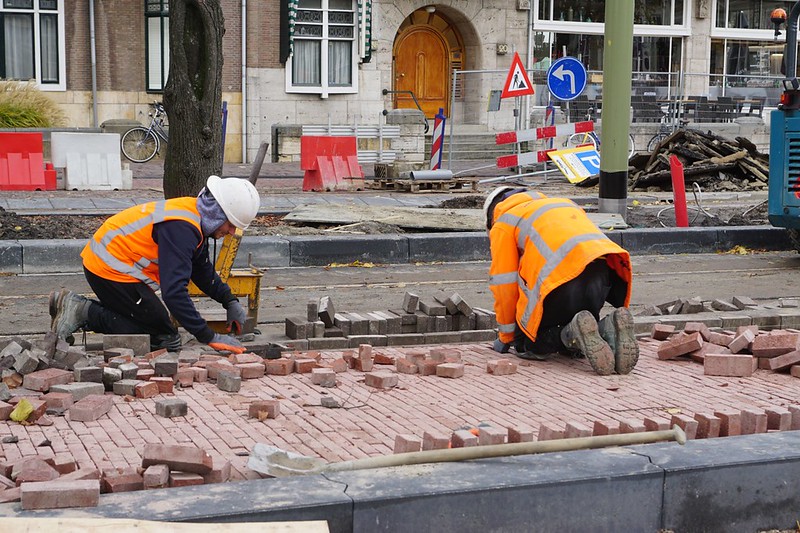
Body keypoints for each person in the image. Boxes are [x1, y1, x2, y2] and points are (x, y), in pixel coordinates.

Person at [49, 175, 260, 355]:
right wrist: (208, 336)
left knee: (162, 331)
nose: (232, 232)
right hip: (108, 267)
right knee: (162, 334)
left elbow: (201, 270)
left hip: (118, 265)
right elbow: (174, 293)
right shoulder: (182, 228)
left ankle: (81, 308)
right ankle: (82, 311)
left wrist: (229, 301)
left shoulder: (196, 216)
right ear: (217, 214)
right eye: (231, 224)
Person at [484, 186, 638, 375]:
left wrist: (507, 336)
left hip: (560, 283)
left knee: (528, 344)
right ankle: (607, 327)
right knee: (582, 322)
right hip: (601, 275)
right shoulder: (565, 204)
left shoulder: (503, 222)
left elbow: (504, 284)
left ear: (492, 215)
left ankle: (571, 334)